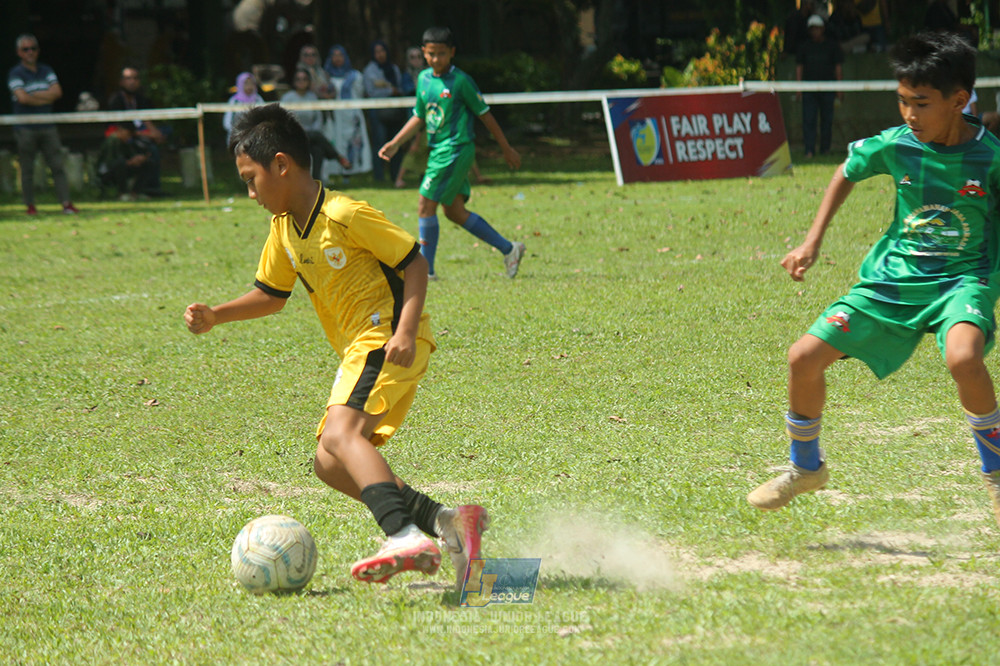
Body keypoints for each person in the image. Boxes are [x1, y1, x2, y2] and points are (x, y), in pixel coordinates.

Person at [183, 103, 489, 587]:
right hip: (359, 349)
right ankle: (448, 522)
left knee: (340, 437)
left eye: (251, 179)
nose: (249, 193)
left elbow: (413, 261)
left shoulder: (345, 214)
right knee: (329, 462)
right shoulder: (284, 228)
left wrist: (406, 330)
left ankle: (402, 533)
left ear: (281, 165)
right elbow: (270, 294)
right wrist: (218, 315)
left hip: (385, 337)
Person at [747, 31, 1000, 531]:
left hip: (962, 281)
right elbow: (847, 170)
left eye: (922, 104)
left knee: (964, 358)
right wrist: (811, 242)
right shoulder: (897, 144)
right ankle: (805, 468)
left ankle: (995, 477)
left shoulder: (990, 156)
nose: (910, 114)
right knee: (802, 357)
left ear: (959, 99)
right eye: (903, 101)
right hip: (892, 282)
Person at [378, 27, 525, 280]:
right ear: (424, 52)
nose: (436, 59)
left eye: (442, 54)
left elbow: (485, 115)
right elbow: (419, 116)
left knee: (425, 204)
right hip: (439, 150)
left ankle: (427, 271)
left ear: (452, 53)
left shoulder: (461, 82)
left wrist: (505, 147)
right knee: (454, 211)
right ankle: (509, 249)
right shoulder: (424, 79)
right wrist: (396, 142)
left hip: (456, 149)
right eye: (432, 54)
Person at [7, 33, 78, 216]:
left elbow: (57, 92)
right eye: (25, 49)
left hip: (47, 125)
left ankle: (66, 203)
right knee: (27, 168)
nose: (30, 52)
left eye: (33, 48)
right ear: (19, 52)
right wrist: (44, 96)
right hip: (25, 127)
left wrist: (32, 97)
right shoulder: (15, 73)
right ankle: (30, 206)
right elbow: (22, 98)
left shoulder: (46, 70)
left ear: (38, 51)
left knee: (57, 166)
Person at [280, 67, 351, 180]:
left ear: (308, 81)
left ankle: (315, 181)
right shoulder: (287, 98)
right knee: (316, 135)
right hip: (292, 136)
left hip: (310, 136)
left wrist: (310, 133)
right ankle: (337, 157)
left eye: (304, 79)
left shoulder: (312, 97)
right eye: (298, 79)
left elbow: (317, 119)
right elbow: (283, 120)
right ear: (294, 81)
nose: (301, 82)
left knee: (318, 149)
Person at [106, 66, 165, 195]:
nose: (132, 82)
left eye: (135, 78)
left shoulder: (140, 99)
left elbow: (146, 119)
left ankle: (152, 187)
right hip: (124, 139)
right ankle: (130, 190)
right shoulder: (116, 100)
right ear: (121, 82)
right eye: (128, 78)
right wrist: (148, 135)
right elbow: (122, 131)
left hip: (140, 135)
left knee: (162, 136)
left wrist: (155, 133)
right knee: (149, 148)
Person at [796, 15, 844, 158]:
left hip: (828, 89)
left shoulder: (832, 46)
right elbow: (799, 67)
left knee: (827, 120)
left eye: (817, 28)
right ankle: (809, 150)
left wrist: (839, 88)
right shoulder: (804, 47)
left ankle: (825, 149)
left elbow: (838, 68)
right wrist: (799, 88)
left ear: (822, 29)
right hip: (809, 90)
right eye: (812, 29)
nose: (815, 31)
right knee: (809, 120)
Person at [324, 45, 370, 182]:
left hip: (352, 115)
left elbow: (360, 94)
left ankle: (352, 171)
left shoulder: (355, 76)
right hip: (336, 116)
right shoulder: (326, 76)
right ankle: (339, 171)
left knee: (353, 142)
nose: (337, 58)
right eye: (334, 55)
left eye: (340, 55)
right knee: (337, 142)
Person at [363, 39, 406, 183]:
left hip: (394, 111)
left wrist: (388, 89)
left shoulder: (393, 69)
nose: (380, 54)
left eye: (382, 51)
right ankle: (379, 177)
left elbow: (399, 89)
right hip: (377, 112)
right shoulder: (370, 70)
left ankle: (396, 176)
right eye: (377, 52)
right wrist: (390, 90)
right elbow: (371, 92)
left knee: (395, 143)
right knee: (379, 143)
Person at [95, 123, 159, 200]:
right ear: (120, 131)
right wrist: (129, 162)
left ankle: (135, 192)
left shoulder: (126, 142)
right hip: (107, 173)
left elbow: (131, 156)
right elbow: (110, 162)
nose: (129, 137)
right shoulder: (112, 141)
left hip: (123, 168)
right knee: (120, 164)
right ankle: (122, 193)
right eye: (128, 134)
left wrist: (139, 159)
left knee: (148, 163)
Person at [222, 72, 265, 143]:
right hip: (238, 139)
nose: (249, 86)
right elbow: (227, 123)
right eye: (246, 83)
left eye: (252, 83)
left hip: (255, 139)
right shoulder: (234, 101)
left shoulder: (258, 99)